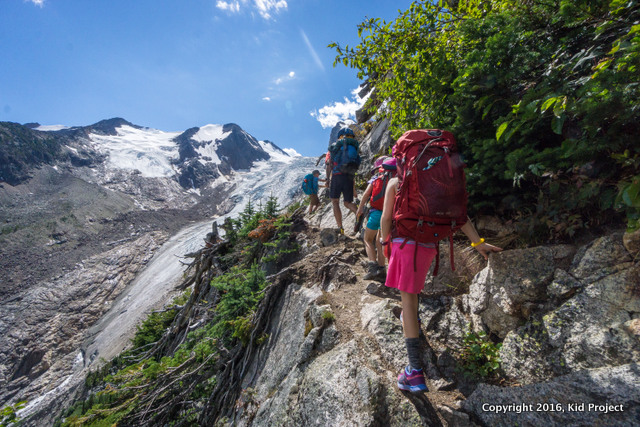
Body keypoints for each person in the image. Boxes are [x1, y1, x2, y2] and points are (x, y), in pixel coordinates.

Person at [380, 175, 502, 393]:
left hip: (404, 242)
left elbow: (386, 218)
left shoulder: (395, 181)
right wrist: (478, 243)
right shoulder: (437, 179)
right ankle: (412, 320)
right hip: (429, 244)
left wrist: (384, 242)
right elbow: (459, 215)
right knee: (413, 291)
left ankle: (414, 372)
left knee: (407, 298)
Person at [355, 157, 396, 280]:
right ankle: (382, 269)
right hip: (392, 213)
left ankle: (373, 267)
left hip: (377, 213)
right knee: (381, 241)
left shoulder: (376, 177)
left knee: (367, 239)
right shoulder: (396, 177)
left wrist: (360, 208)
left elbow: (367, 194)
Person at [325, 127, 360, 234]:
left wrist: (327, 179)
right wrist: (353, 190)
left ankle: (340, 228)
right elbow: (353, 169)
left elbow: (329, 165)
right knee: (347, 202)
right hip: (348, 177)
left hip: (337, 176)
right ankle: (358, 213)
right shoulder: (353, 148)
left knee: (335, 202)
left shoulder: (334, 148)